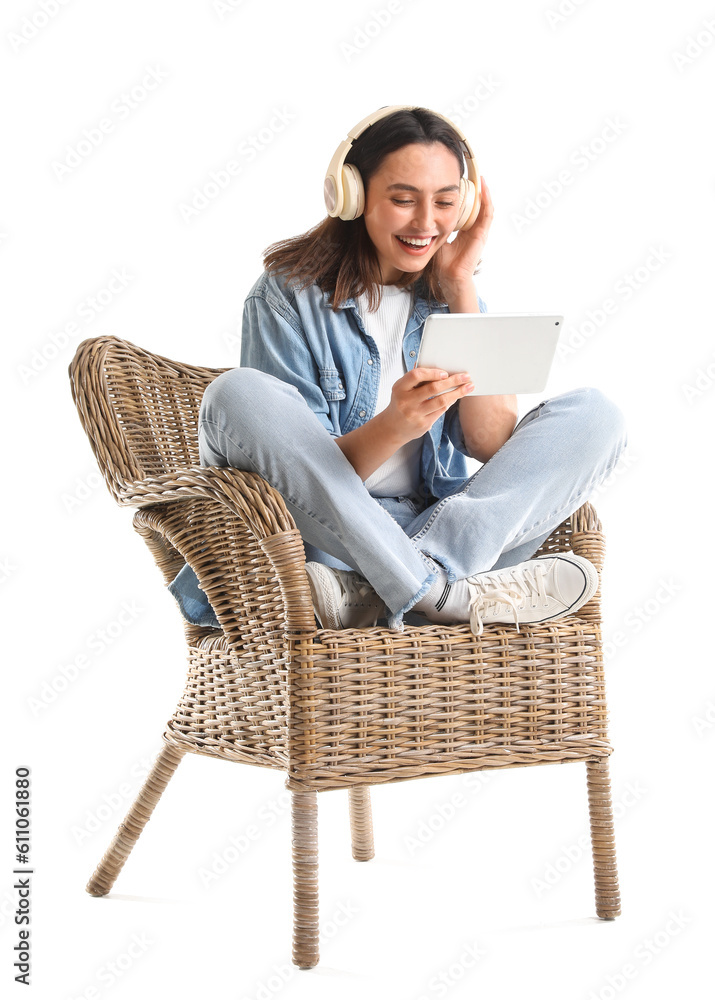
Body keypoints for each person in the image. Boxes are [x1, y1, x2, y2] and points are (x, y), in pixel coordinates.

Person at [169, 104, 628, 634]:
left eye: (446, 203)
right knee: (236, 394)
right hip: (325, 542)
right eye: (403, 200)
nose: (426, 223)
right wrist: (396, 425)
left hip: (439, 531)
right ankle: (438, 595)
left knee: (597, 415)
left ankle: (391, 589)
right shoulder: (285, 296)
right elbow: (298, 480)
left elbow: (493, 443)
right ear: (353, 195)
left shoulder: (451, 298)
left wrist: (461, 286)